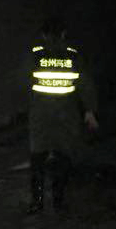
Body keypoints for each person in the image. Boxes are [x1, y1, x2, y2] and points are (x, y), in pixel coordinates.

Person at [26, 19, 98, 214]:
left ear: (43, 35)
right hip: (66, 116)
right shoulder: (73, 55)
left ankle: (37, 202)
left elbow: (21, 81)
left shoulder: (35, 54)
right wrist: (90, 111)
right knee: (63, 156)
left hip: (41, 116)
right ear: (64, 34)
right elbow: (86, 84)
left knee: (38, 158)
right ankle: (58, 202)